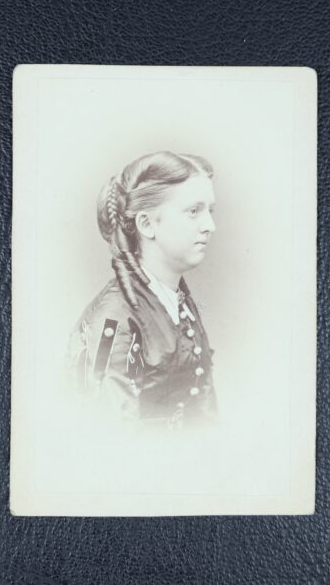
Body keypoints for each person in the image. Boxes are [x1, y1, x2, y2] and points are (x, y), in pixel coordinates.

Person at [67, 150, 218, 432]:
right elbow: (109, 436)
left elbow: (205, 413)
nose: (210, 226)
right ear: (147, 224)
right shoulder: (112, 318)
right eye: (194, 211)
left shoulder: (179, 303)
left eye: (210, 211)